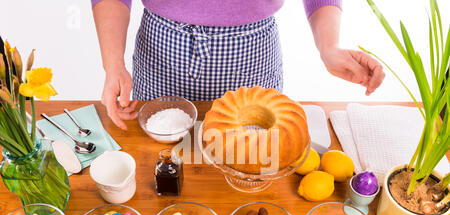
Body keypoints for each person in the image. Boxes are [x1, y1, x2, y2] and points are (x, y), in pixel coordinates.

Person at [92, 0, 385, 130]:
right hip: (163, 50)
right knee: (160, 162)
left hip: (252, 51)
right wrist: (113, 64)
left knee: (253, 157)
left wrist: (329, 46)